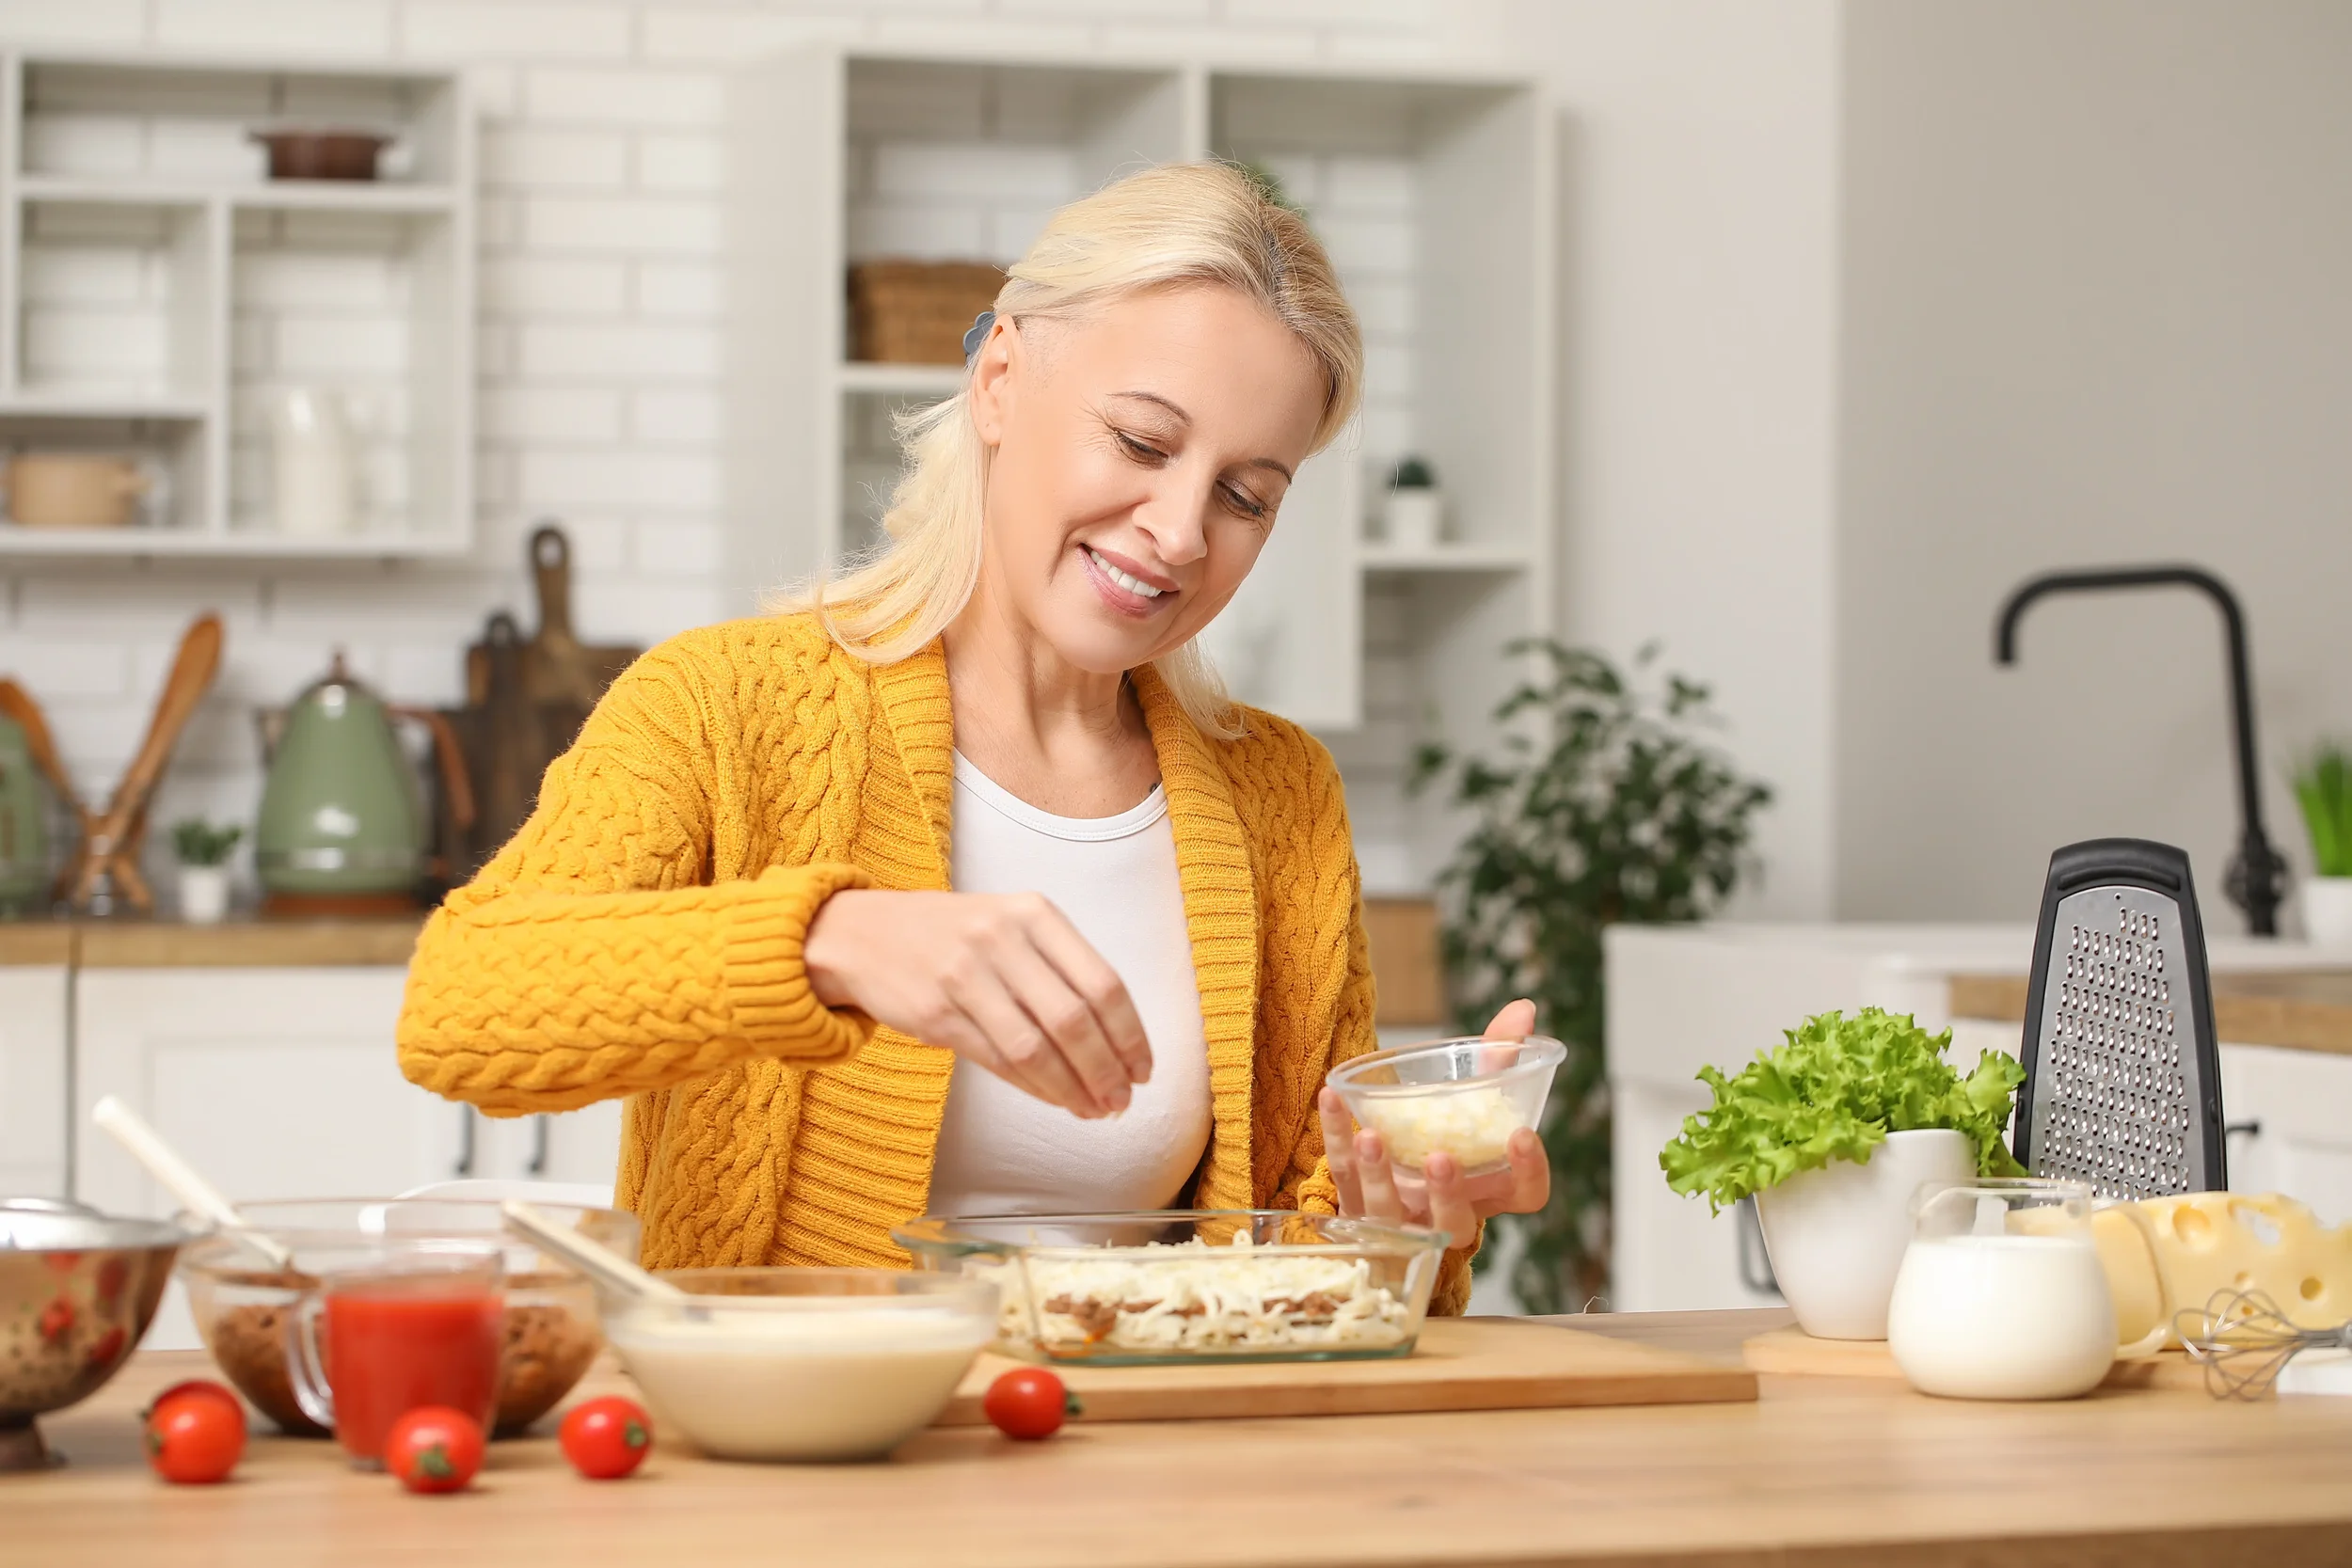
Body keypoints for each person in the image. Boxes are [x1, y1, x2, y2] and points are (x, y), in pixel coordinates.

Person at [395, 161, 1546, 1313]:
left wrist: (1393, 1227)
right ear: (999, 378)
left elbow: (1299, 1260)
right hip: (791, 1459)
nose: (1181, 530)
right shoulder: (726, 703)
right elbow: (457, 1008)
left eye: (1246, 496)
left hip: (1145, 1469)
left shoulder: (1279, 793)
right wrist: (830, 943)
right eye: (1143, 442)